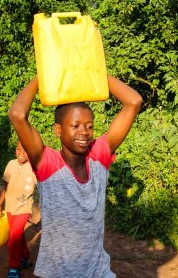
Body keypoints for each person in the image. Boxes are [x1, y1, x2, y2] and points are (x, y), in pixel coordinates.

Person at [9, 74, 142, 278]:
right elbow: (18, 114)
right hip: (58, 273)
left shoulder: (99, 155)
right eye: (76, 125)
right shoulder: (47, 163)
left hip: (98, 270)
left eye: (90, 126)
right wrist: (43, 75)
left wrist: (92, 71)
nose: (84, 132)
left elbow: (133, 102)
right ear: (58, 130)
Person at [0, 141, 37, 278]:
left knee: (13, 237)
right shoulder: (11, 164)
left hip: (24, 208)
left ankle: (14, 268)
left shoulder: (34, 168)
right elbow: (6, 186)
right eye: (18, 149)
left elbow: (45, 187)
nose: (21, 153)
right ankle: (25, 259)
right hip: (10, 207)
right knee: (17, 235)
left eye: (25, 151)